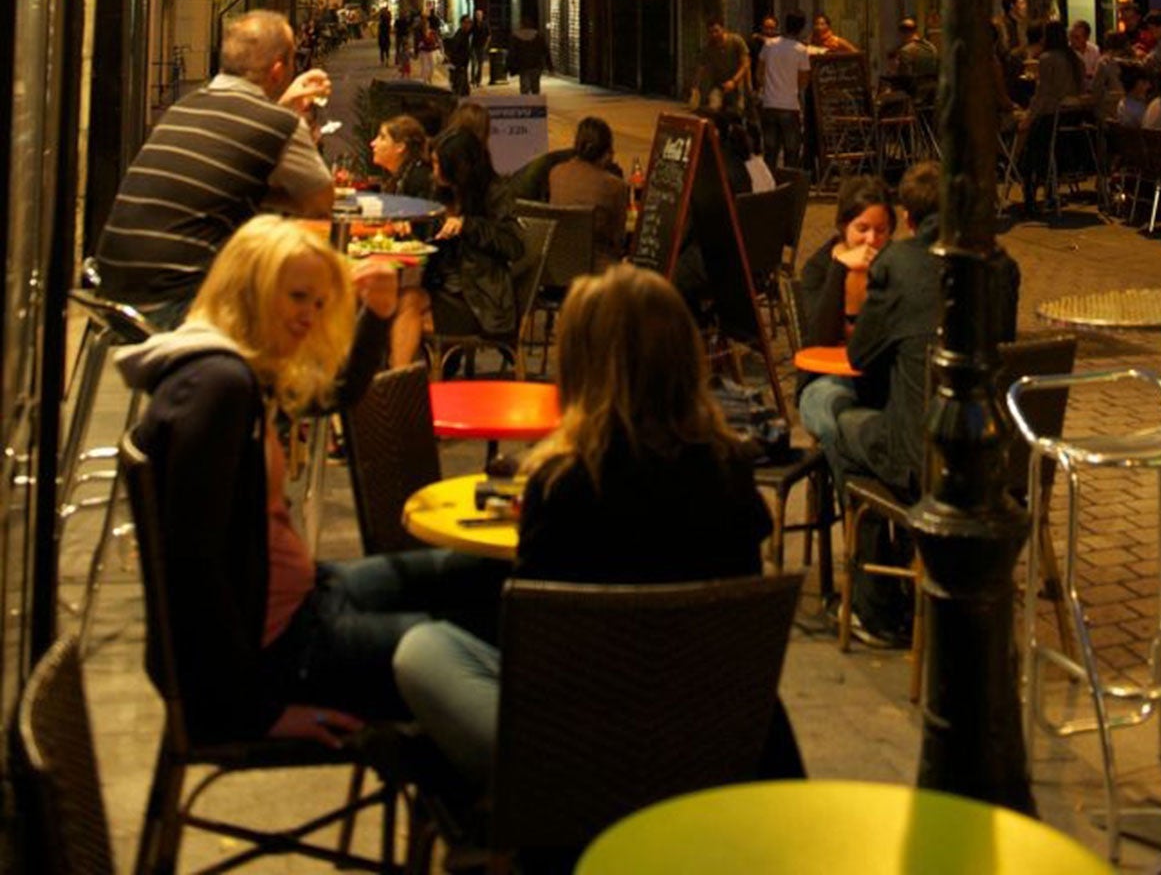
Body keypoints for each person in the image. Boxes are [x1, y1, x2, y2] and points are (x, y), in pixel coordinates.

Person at [393, 265, 804, 794]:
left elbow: (537, 642)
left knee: (422, 646)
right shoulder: (729, 475)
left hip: (573, 751)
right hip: (702, 738)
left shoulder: (563, 484)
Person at [119, 214, 501, 745]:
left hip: (306, 599)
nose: (310, 317)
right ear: (248, 290)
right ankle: (492, 799)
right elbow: (191, 569)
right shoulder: (218, 387)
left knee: (483, 576)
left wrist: (378, 314)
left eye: (319, 304)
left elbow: (332, 394)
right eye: (298, 297)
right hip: (282, 652)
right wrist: (255, 712)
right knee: (469, 648)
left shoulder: (230, 363)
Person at [94, 11, 333, 321]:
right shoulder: (279, 124)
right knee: (303, 304)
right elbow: (320, 203)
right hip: (180, 304)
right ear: (277, 70)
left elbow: (226, 177)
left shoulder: (184, 107)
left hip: (115, 299)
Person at [830, 162, 1019, 506]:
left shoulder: (897, 263)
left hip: (928, 463)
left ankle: (880, 548)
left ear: (907, 218)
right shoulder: (1002, 266)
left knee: (841, 418)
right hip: (999, 457)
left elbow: (860, 355)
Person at [391, 126, 528, 367]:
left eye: (437, 164)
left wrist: (468, 225)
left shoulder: (495, 193)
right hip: (443, 287)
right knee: (393, 305)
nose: (433, 171)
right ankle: (402, 383)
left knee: (402, 311)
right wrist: (407, 229)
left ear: (458, 167)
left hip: (480, 299)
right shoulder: (441, 192)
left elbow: (514, 245)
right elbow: (429, 240)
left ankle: (397, 386)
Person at [795, 180, 894, 458]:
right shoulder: (819, 268)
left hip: (883, 379)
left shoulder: (896, 266)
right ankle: (852, 498)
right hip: (828, 379)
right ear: (843, 227)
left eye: (881, 231)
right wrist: (840, 270)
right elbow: (818, 340)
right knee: (836, 416)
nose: (872, 240)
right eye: (862, 229)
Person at [1015, 19, 1087, 217]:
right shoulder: (1075, 59)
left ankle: (1029, 193)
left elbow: (1043, 94)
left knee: (1030, 148)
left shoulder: (1047, 59)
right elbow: (1082, 89)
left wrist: (1029, 117)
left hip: (1051, 115)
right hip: (1071, 117)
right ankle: (1049, 190)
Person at [547, 115, 627, 266]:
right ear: (606, 153)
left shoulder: (556, 173)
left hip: (557, 264)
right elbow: (618, 239)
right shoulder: (615, 186)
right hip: (595, 269)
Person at [757, 11, 811, 171]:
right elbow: (804, 80)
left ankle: (769, 185)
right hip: (790, 106)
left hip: (769, 104)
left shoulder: (769, 45)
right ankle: (788, 185)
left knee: (770, 151)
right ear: (801, 28)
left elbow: (759, 73)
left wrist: (768, 86)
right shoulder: (801, 50)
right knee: (791, 151)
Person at [691, 17, 751, 117]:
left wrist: (734, 81)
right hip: (719, 84)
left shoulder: (736, 41)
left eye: (716, 31)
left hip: (736, 83)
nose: (714, 34)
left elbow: (745, 63)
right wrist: (695, 87)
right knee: (713, 109)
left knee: (737, 112)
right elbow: (701, 67)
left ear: (723, 29)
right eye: (711, 32)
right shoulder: (708, 47)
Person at [369, 115, 435, 201]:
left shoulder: (418, 181)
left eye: (382, 138)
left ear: (400, 147)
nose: (373, 143)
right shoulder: (399, 177)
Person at [886, 17, 939, 100]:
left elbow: (904, 78)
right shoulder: (932, 48)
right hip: (933, 92)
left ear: (903, 33)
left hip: (915, 94)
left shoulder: (906, 51)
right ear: (916, 30)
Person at [445, 15, 474, 98]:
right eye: (467, 22)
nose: (469, 25)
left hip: (462, 66)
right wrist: (459, 64)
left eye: (470, 23)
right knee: (459, 91)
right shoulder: (460, 35)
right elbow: (455, 50)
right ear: (462, 24)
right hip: (459, 67)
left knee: (464, 91)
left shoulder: (465, 34)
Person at [468, 6, 490, 88]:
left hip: (481, 46)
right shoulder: (473, 25)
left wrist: (486, 45)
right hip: (474, 46)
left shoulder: (485, 24)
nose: (478, 16)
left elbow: (489, 35)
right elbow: (469, 34)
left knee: (480, 64)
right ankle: (473, 79)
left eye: (479, 15)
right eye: (477, 15)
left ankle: (478, 80)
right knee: (474, 63)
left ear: (482, 15)